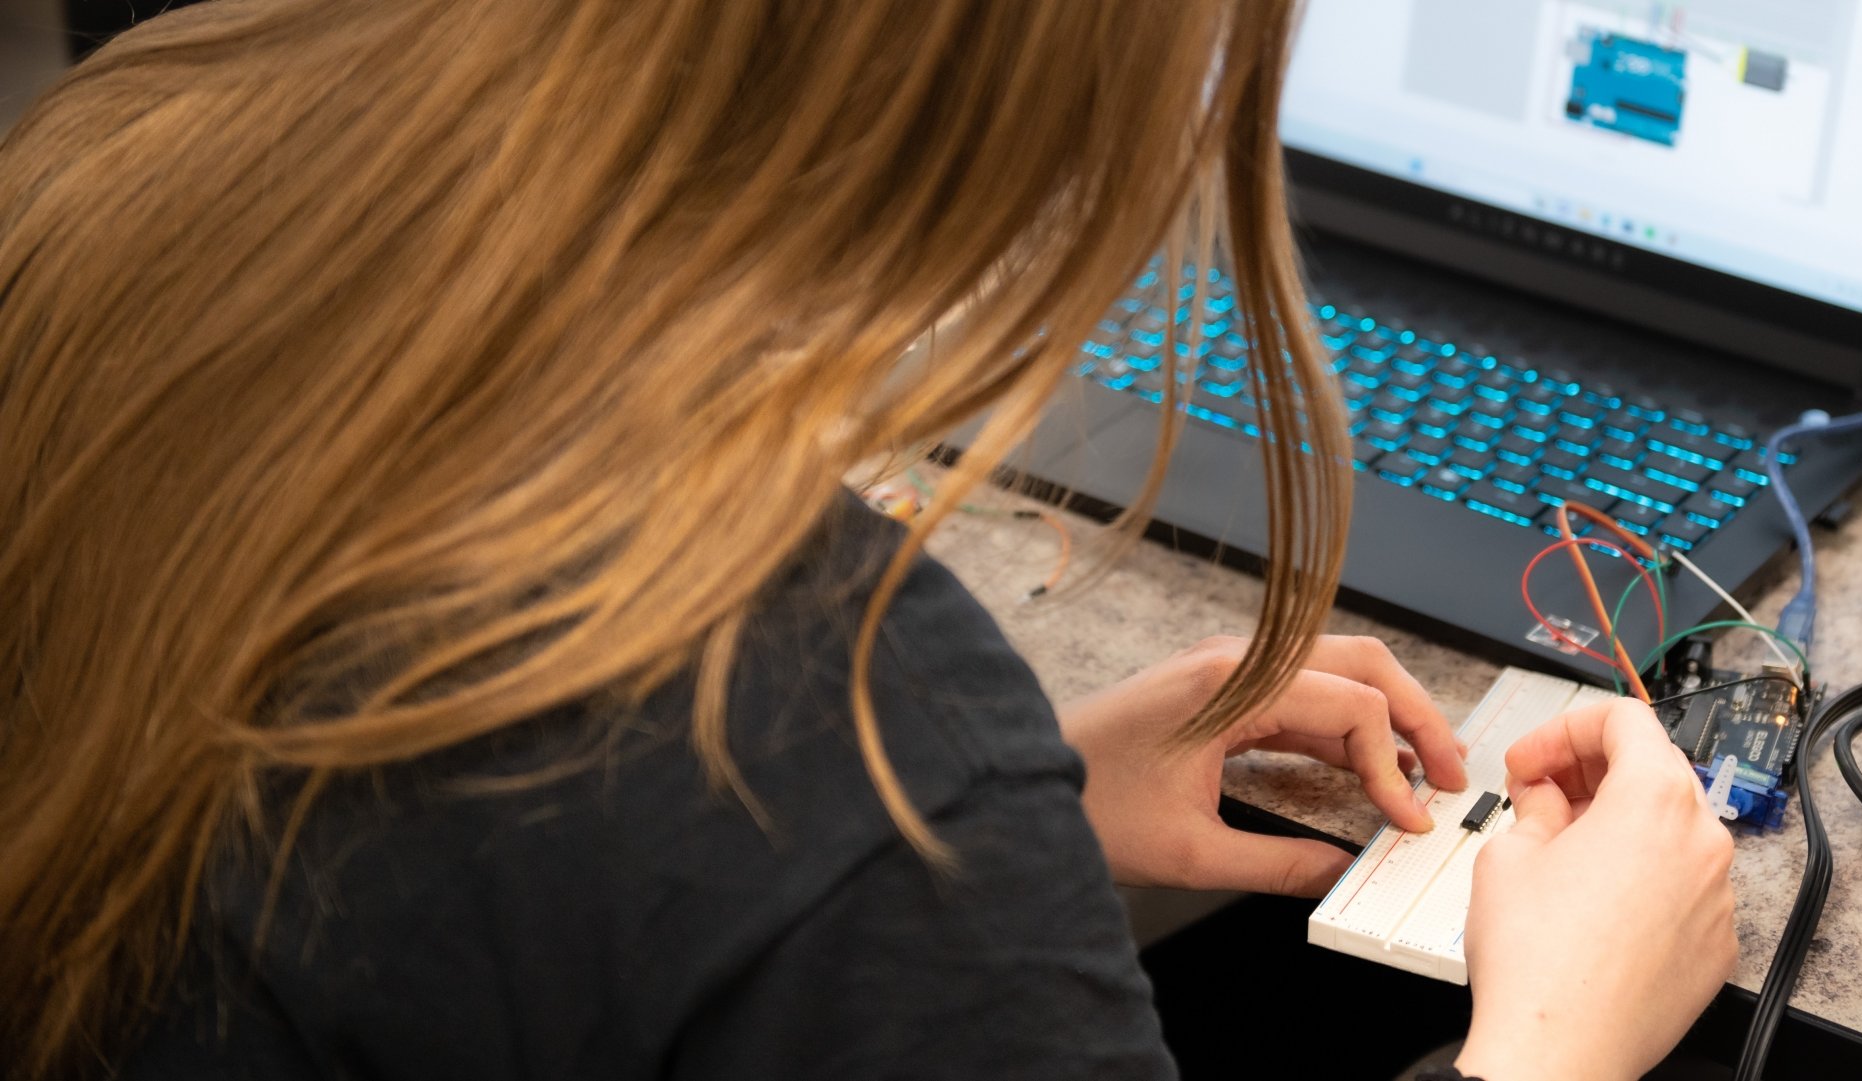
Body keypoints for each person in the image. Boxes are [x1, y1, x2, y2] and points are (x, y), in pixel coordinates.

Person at [0, 1, 1736, 1078]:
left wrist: (1004, 822)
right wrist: (1555, 1042)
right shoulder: (837, 743)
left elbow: (465, 883)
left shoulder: (135, 152)